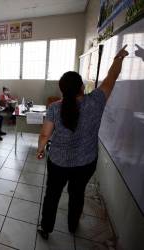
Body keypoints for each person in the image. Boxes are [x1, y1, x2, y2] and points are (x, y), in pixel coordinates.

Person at [37, 45, 129, 239]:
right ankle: (72, 226)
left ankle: (46, 228)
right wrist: (118, 58)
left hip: (58, 163)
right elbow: (110, 79)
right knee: (77, 194)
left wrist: (40, 149)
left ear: (61, 89)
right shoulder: (96, 100)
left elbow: (45, 135)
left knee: (52, 195)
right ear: (82, 87)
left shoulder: (54, 108)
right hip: (85, 163)